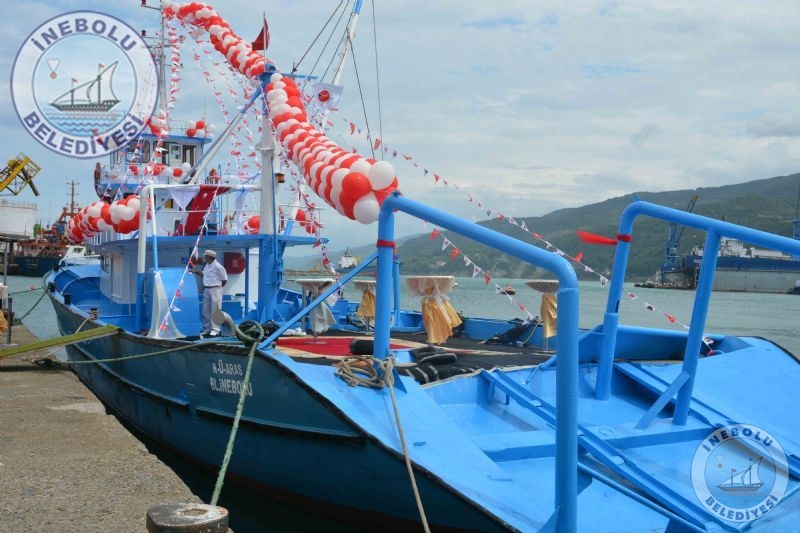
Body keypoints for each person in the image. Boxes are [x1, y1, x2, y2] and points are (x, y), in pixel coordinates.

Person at [192, 249, 228, 336]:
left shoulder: (218, 267)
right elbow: (204, 274)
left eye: (206, 256)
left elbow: (224, 279)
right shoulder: (207, 265)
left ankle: (216, 329)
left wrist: (218, 288)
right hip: (206, 289)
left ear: (210, 257)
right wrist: (195, 272)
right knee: (206, 310)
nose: (205, 257)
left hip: (215, 289)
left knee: (216, 310)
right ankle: (207, 328)